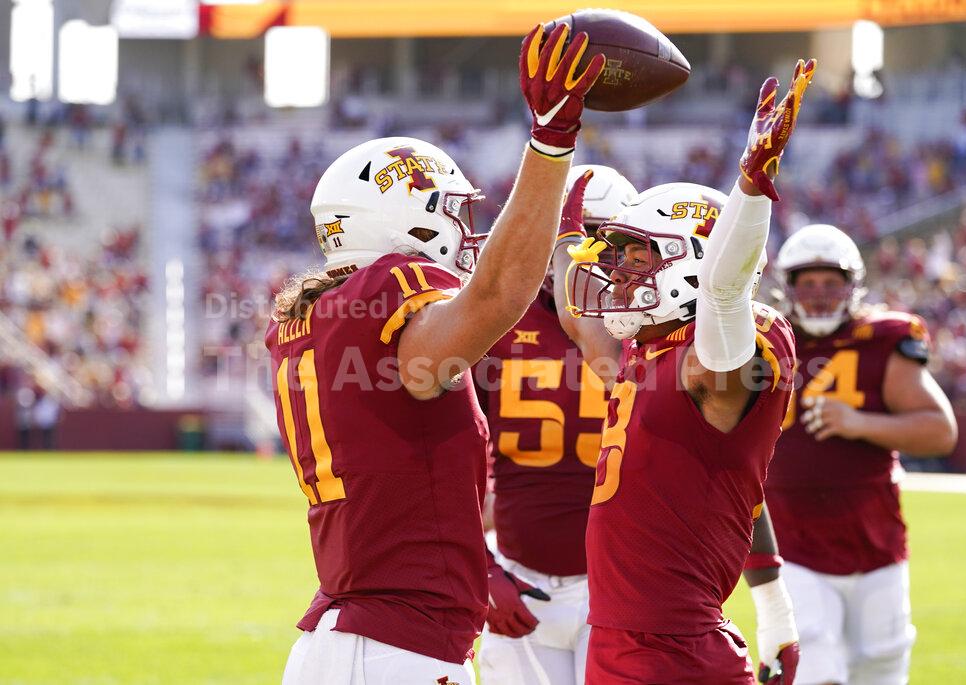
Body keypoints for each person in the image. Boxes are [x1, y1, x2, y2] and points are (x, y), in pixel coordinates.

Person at [267, 23, 605, 684]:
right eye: (451, 212)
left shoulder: (323, 313)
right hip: (389, 649)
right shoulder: (387, 287)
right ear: (407, 220)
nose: (465, 230)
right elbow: (497, 295)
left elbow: (405, 480)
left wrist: (474, 560)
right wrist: (551, 141)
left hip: (366, 636)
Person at [554, 59, 817, 684]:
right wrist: (561, 225)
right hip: (620, 640)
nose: (617, 271)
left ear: (691, 261)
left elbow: (724, 296)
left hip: (677, 654)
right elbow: (578, 316)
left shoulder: (723, 356)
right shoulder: (647, 352)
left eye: (634, 254)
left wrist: (751, 185)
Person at [765, 223, 958, 685]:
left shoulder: (882, 339)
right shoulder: (764, 340)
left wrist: (860, 423)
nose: (818, 295)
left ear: (852, 286)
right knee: (814, 665)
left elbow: (940, 432)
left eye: (830, 283)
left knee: (883, 666)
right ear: (787, 287)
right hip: (791, 539)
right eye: (807, 283)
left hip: (875, 539)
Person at [477, 165, 638, 685]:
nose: (581, 254)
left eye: (599, 241)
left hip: (624, 583)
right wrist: (477, 565)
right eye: (568, 236)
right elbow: (439, 461)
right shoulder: (494, 320)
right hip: (518, 570)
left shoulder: (657, 326)